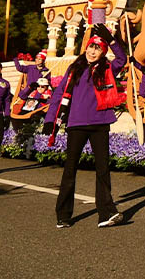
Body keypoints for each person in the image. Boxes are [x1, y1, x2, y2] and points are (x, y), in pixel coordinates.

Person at [45, 24, 126, 228]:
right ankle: (63, 215)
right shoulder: (75, 69)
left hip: (100, 123)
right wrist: (50, 119)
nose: (92, 52)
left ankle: (106, 213)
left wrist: (113, 41)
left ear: (103, 52)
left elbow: (122, 59)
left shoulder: (108, 68)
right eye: (91, 47)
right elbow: (59, 94)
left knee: (102, 169)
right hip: (77, 124)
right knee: (70, 169)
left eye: (97, 49)